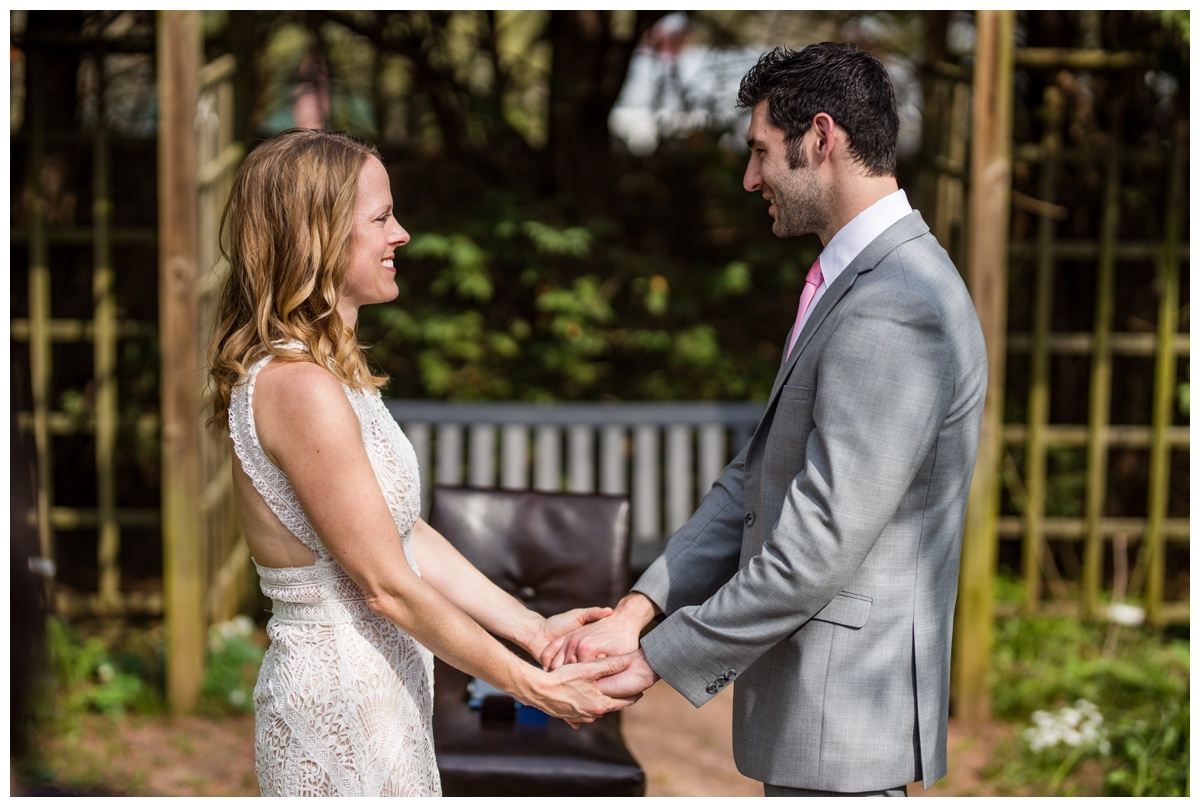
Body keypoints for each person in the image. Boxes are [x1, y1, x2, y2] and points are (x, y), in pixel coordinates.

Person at [544, 42, 988, 797]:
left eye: (760, 153)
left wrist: (656, 656)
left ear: (822, 138)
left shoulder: (898, 305)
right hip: (815, 726)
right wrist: (636, 611)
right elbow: (757, 475)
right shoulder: (854, 279)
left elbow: (817, 549)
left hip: (846, 730)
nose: (750, 179)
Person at [204, 128, 637, 797]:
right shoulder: (298, 387)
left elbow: (402, 533)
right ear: (317, 238)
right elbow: (386, 583)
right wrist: (534, 686)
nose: (401, 234)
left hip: (384, 689)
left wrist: (533, 629)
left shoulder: (329, 373)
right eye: (380, 218)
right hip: (339, 704)